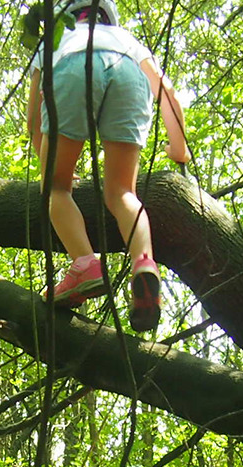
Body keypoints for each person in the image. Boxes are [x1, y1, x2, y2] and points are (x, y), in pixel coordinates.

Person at [26, 0, 191, 332]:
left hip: (71, 69)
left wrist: (48, 159)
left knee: (55, 189)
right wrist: (179, 146)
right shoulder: (124, 37)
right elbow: (165, 90)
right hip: (127, 72)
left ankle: (85, 264)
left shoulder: (53, 41)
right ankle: (144, 262)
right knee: (122, 193)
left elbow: (34, 112)